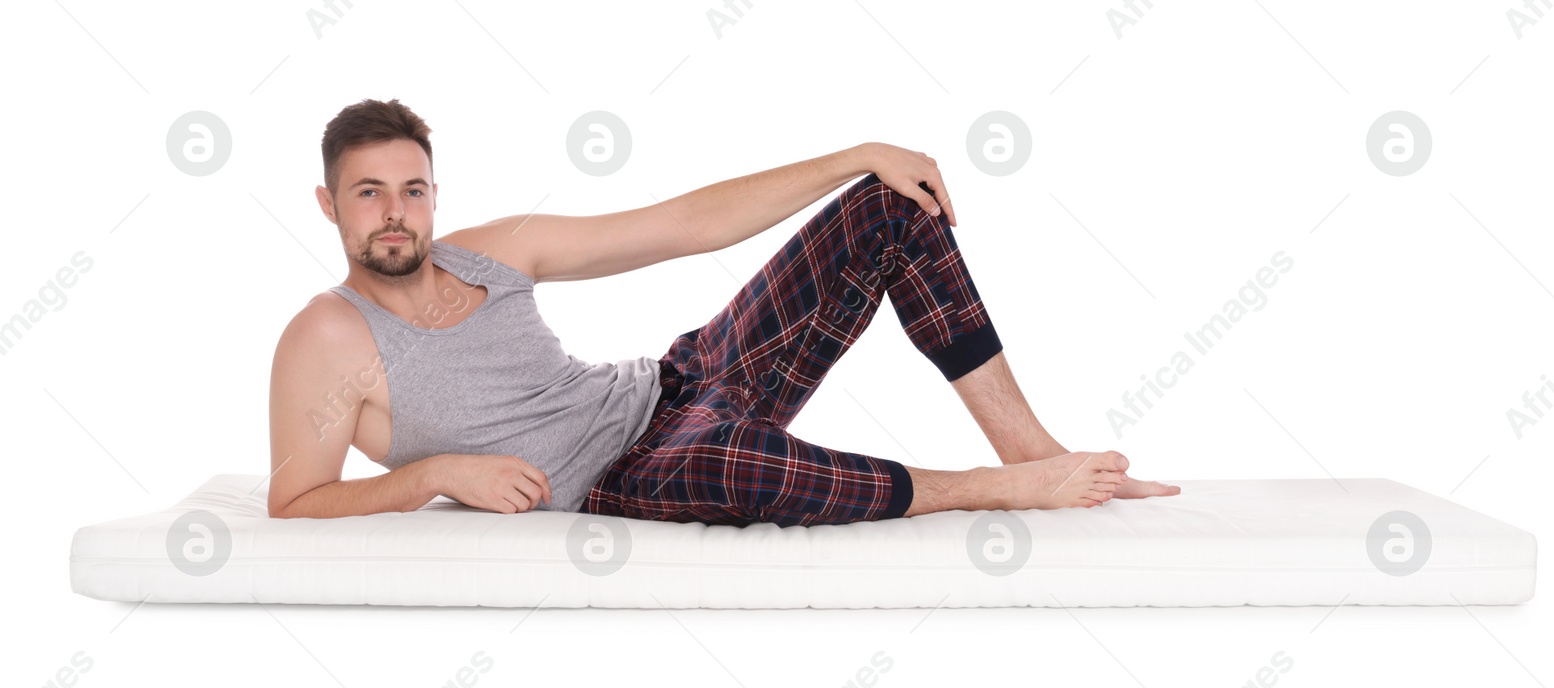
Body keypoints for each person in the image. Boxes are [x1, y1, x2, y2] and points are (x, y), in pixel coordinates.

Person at [266, 98, 1180, 526]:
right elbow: (295, 499)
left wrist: (849, 155)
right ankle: (996, 487)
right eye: (368, 193)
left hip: (678, 382)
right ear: (328, 204)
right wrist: (439, 473)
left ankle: (1038, 455)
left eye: (411, 190)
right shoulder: (325, 336)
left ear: (433, 195)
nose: (394, 214)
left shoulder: (491, 250)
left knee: (888, 208)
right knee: (732, 464)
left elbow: (682, 226)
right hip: (624, 477)